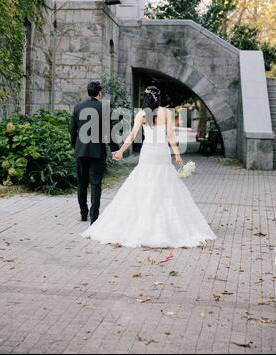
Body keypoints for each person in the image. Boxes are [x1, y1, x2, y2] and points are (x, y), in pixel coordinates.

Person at [80, 86, 217, 248]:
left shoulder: (142, 114)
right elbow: (170, 136)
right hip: (161, 153)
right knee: (165, 185)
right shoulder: (167, 113)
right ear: (159, 98)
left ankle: (142, 221)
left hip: (148, 153)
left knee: (144, 183)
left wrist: (121, 151)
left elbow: (132, 136)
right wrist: (178, 155)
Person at [70, 81, 118, 223]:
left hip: (81, 151)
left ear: (88, 92)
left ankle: (83, 213)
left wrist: (76, 146)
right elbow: (108, 132)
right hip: (97, 152)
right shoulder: (104, 108)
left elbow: (72, 130)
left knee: (82, 183)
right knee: (96, 184)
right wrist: (115, 149)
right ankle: (94, 216)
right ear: (99, 93)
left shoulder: (78, 107)